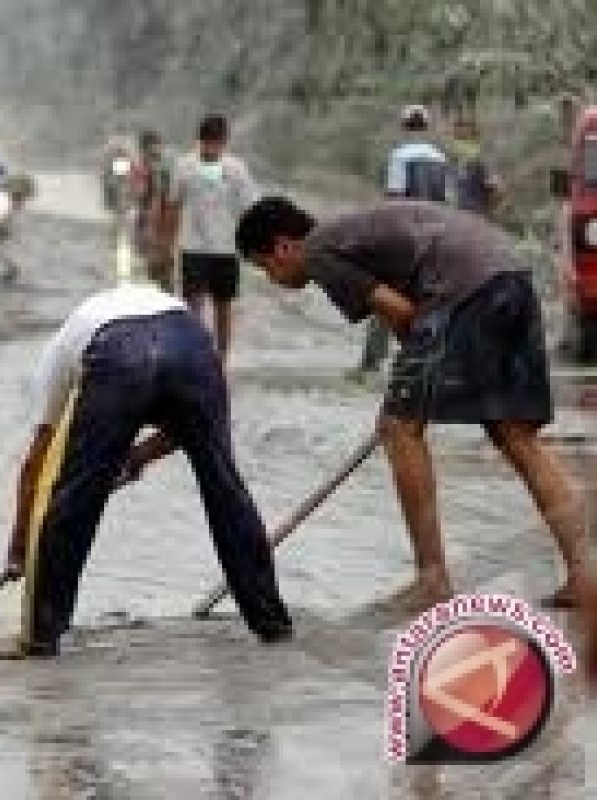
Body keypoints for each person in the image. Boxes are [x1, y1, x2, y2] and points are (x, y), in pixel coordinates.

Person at [236, 197, 592, 612]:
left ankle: (433, 579)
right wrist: (409, 382)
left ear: (283, 247)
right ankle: (584, 573)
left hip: (464, 289)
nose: (275, 279)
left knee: (400, 429)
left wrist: (402, 404)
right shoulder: (352, 233)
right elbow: (404, 318)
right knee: (516, 437)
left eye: (267, 268)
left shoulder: (317, 251)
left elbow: (404, 312)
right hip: (509, 275)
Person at [0, 281, 293, 659]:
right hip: (191, 345)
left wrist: (21, 545)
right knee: (226, 488)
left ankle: (41, 637)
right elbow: (190, 428)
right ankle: (271, 623)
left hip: (117, 353)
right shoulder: (165, 311)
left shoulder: (58, 355)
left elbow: (35, 466)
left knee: (73, 499)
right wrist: (135, 457)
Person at [354, 105, 450, 378]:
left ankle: (372, 361)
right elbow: (444, 201)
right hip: (434, 236)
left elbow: (394, 199)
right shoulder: (440, 158)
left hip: (404, 236)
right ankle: (428, 358)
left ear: (404, 126)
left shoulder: (400, 156)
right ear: (427, 127)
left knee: (384, 296)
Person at [169, 115, 259, 360]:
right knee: (193, 306)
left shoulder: (237, 169)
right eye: (207, 143)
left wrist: (252, 245)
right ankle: (194, 355)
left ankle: (221, 357)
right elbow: (174, 204)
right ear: (199, 141)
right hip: (192, 247)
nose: (211, 148)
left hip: (227, 249)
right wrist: (168, 242)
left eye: (216, 143)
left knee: (223, 306)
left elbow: (250, 208)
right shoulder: (184, 166)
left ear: (224, 142)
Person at [131, 129, 176, 292]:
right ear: (143, 149)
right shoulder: (140, 168)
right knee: (156, 270)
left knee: (163, 269)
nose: (155, 149)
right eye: (152, 146)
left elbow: (174, 194)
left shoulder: (166, 167)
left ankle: (166, 301)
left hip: (162, 224)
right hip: (149, 224)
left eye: (157, 146)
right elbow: (137, 194)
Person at [449, 116, 502, 218]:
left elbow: (496, 190)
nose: (462, 145)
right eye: (459, 139)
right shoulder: (450, 166)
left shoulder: (479, 166)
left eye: (467, 140)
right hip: (456, 218)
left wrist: (495, 187)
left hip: (476, 217)